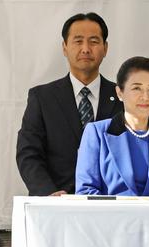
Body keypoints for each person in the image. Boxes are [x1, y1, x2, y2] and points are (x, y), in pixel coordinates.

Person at [16, 12, 122, 195]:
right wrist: (48, 193)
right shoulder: (42, 97)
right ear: (65, 47)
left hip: (111, 205)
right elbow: (29, 154)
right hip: (56, 204)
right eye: (78, 41)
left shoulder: (123, 97)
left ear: (105, 48)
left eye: (94, 41)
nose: (86, 49)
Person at [75, 57, 149, 196]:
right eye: (137, 88)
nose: (145, 97)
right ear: (119, 92)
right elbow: (86, 192)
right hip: (111, 217)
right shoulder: (97, 133)